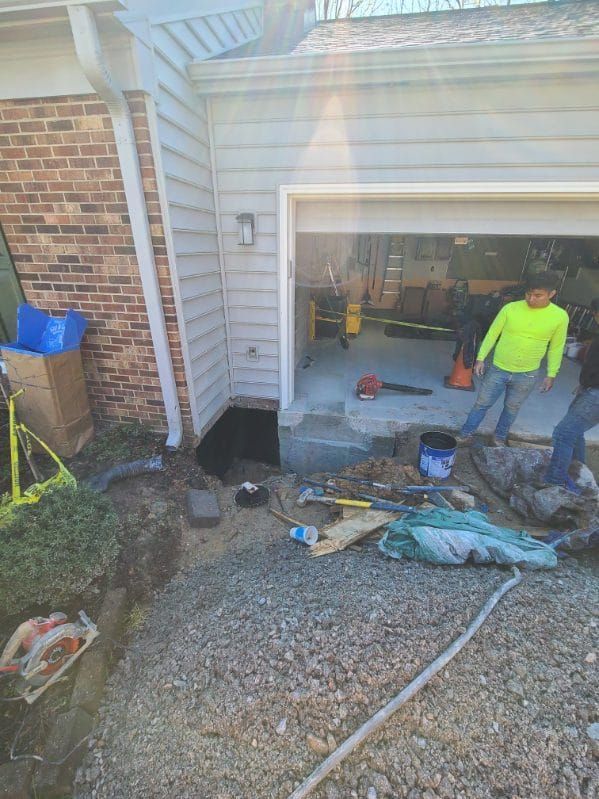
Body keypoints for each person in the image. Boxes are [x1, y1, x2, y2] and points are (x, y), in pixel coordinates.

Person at [457, 273, 569, 446]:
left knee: (511, 408)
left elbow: (556, 347)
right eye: (528, 294)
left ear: (551, 294)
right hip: (498, 368)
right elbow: (492, 333)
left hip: (527, 374)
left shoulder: (560, 317)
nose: (531, 299)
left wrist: (551, 373)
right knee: (482, 404)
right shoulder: (510, 308)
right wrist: (480, 358)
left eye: (538, 295)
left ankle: (499, 437)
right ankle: (465, 434)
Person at [544, 298, 599, 489]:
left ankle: (554, 482)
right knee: (575, 432)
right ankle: (579, 475)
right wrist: (585, 384)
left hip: (596, 395)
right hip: (590, 390)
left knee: (563, 434)